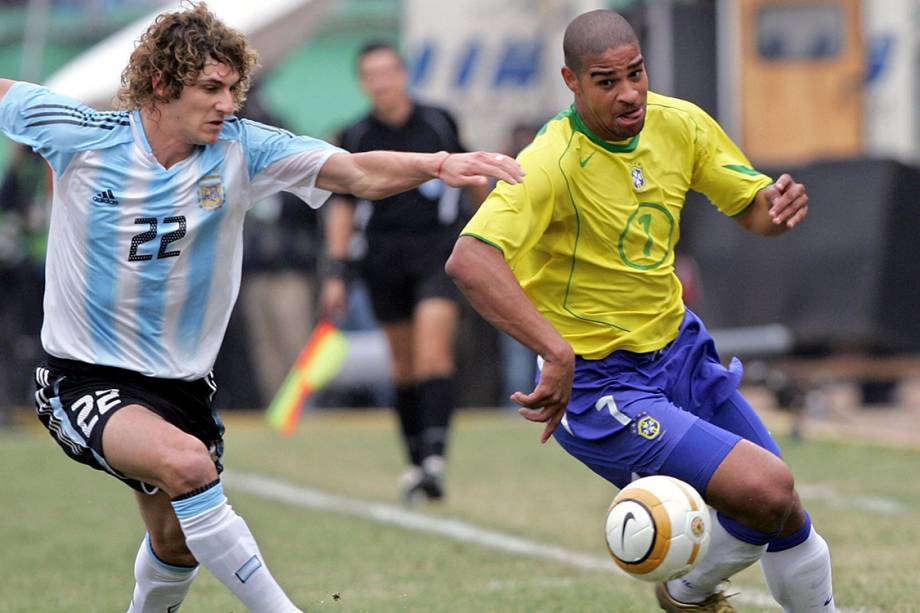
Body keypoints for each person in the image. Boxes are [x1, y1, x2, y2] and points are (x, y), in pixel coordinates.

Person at [0, 3, 522, 612]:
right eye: (211, 89)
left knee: (176, 542)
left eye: (233, 88)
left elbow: (355, 172)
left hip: (182, 386)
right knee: (189, 465)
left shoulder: (244, 149)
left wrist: (437, 163)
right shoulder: (83, 135)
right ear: (163, 85)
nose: (228, 103)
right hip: (82, 377)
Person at [446, 9, 833, 613]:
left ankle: (685, 590)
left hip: (680, 351)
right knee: (767, 490)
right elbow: (470, 260)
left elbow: (752, 209)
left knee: (780, 508)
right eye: (606, 81)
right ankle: (687, 589)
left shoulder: (680, 124)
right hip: (604, 386)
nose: (629, 94)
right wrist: (554, 349)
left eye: (636, 73)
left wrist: (775, 209)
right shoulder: (550, 161)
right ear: (571, 82)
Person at [320, 42, 488, 502]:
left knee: (435, 355)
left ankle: (435, 459)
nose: (381, 82)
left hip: (437, 250)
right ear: (362, 83)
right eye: (371, 75)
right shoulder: (353, 135)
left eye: (387, 72)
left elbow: (472, 176)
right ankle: (416, 461)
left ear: (403, 74)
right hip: (382, 258)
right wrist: (337, 272)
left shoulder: (438, 121)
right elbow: (342, 207)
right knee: (404, 366)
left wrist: (500, 230)